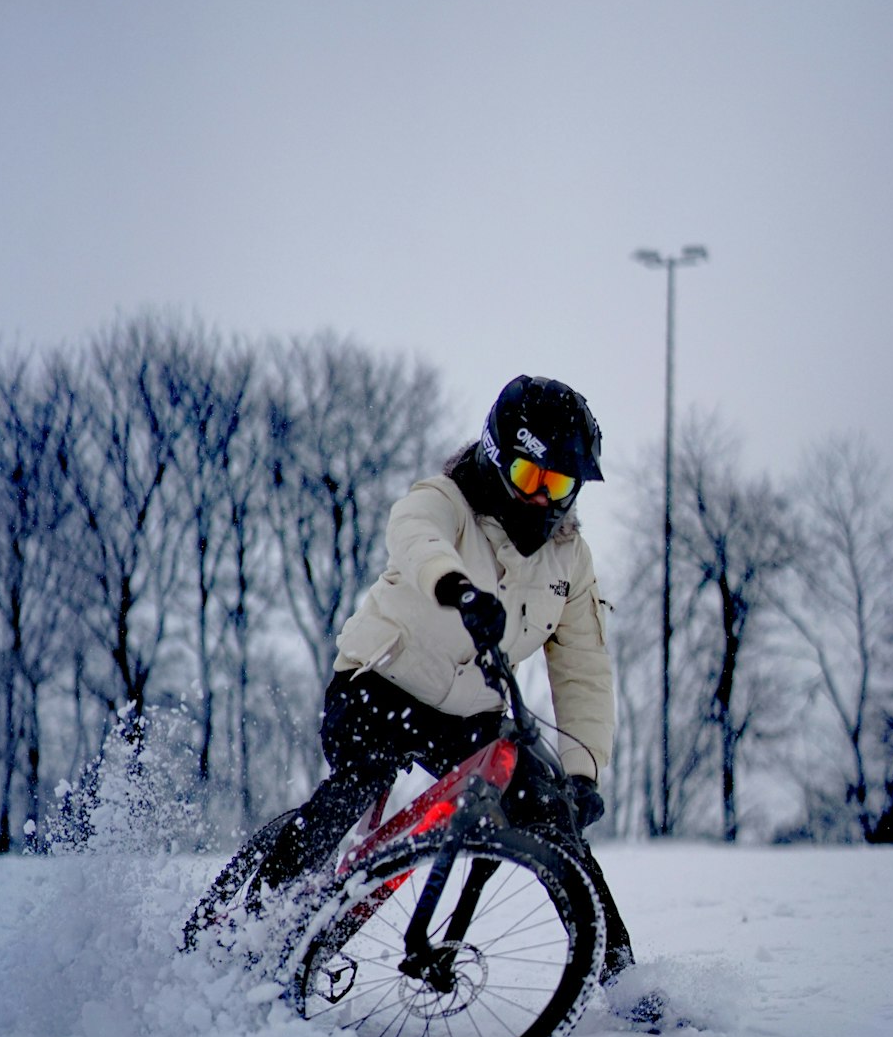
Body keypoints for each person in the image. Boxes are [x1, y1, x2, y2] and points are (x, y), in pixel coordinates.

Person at [257, 374, 637, 986]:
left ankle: (622, 979)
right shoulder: (446, 500)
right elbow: (415, 536)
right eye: (529, 477)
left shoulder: (571, 559)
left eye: (558, 485)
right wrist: (457, 589)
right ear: (494, 458)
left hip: (469, 717)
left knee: (556, 821)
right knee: (360, 781)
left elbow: (583, 666)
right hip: (380, 684)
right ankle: (253, 921)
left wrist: (583, 770)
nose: (542, 499)